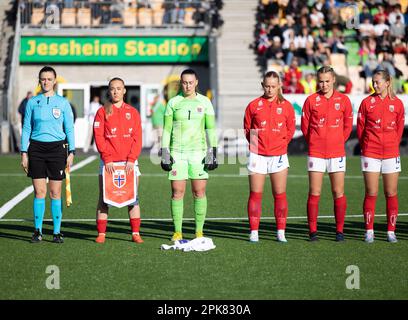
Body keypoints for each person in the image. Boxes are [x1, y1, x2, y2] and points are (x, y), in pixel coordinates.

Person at [160, 69, 218, 241]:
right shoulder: (173, 102)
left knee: (199, 192)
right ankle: (178, 231)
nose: (187, 86)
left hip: (198, 153)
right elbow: (166, 129)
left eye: (190, 82)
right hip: (177, 153)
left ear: (196, 82)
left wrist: (213, 150)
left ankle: (199, 232)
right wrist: (164, 151)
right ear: (181, 83)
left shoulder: (205, 102)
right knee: (177, 192)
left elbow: (211, 129)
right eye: (184, 82)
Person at [20, 66, 75, 243]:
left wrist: (72, 151)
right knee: (39, 191)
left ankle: (57, 232)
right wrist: (24, 152)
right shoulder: (32, 102)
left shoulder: (63, 103)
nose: (46, 82)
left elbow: (69, 128)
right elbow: (27, 128)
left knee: (55, 193)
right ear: (39, 81)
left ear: (54, 81)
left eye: (49, 79)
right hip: (36, 149)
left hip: (57, 150)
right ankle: (37, 231)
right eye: (43, 79)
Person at [301, 66, 353, 242]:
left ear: (333, 81)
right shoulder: (311, 100)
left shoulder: (344, 100)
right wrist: (316, 141)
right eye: (320, 81)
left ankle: (339, 231)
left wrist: (338, 140)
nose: (323, 84)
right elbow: (305, 127)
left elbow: (347, 127)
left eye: (327, 81)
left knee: (338, 191)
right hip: (316, 152)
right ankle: (313, 232)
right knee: (314, 191)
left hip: (337, 152)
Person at [244, 71, 296, 243]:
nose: (270, 89)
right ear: (262, 85)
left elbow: (290, 130)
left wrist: (279, 145)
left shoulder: (287, 106)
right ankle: (254, 232)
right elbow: (247, 129)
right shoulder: (253, 105)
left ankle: (280, 232)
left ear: (279, 85)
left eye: (273, 86)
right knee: (255, 194)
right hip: (257, 155)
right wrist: (257, 146)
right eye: (267, 86)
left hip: (279, 155)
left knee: (279, 194)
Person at [93, 77, 144, 244]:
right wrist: (107, 159)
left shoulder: (133, 112)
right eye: (112, 88)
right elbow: (99, 138)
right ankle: (101, 233)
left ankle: (135, 233)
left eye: (119, 88)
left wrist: (131, 159)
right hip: (109, 163)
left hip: (129, 163)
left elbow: (137, 138)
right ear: (109, 91)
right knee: (104, 198)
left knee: (133, 198)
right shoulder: (102, 112)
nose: (115, 91)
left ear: (124, 91)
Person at [356, 70, 405, 243]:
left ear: (387, 82)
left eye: (378, 82)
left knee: (391, 192)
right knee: (371, 192)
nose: (375, 85)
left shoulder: (397, 103)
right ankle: (369, 231)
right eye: (373, 82)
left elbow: (399, 129)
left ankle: (391, 231)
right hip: (371, 153)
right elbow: (360, 129)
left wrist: (392, 143)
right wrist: (367, 146)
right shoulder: (366, 102)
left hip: (391, 153)